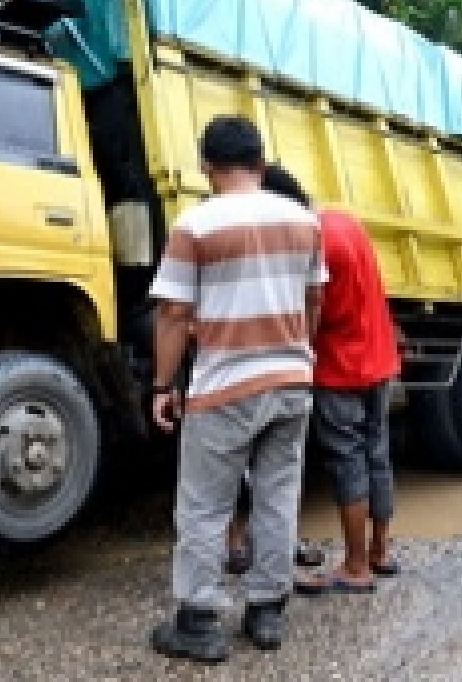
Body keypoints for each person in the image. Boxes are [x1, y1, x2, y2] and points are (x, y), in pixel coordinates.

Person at [148, 116, 326, 663]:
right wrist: (296, 349)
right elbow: (314, 301)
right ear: (262, 162)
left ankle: (199, 620)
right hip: (292, 379)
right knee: (277, 495)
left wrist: (161, 385)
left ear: (206, 166)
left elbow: (175, 314)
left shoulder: (196, 225)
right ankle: (267, 611)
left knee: (205, 505)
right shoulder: (303, 220)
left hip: (225, 384)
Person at [250, 166, 401, 594]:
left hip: (340, 366)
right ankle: (379, 552)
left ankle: (355, 567)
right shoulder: (346, 222)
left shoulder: (310, 242)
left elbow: (313, 312)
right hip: (379, 359)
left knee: (347, 460)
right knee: (377, 453)